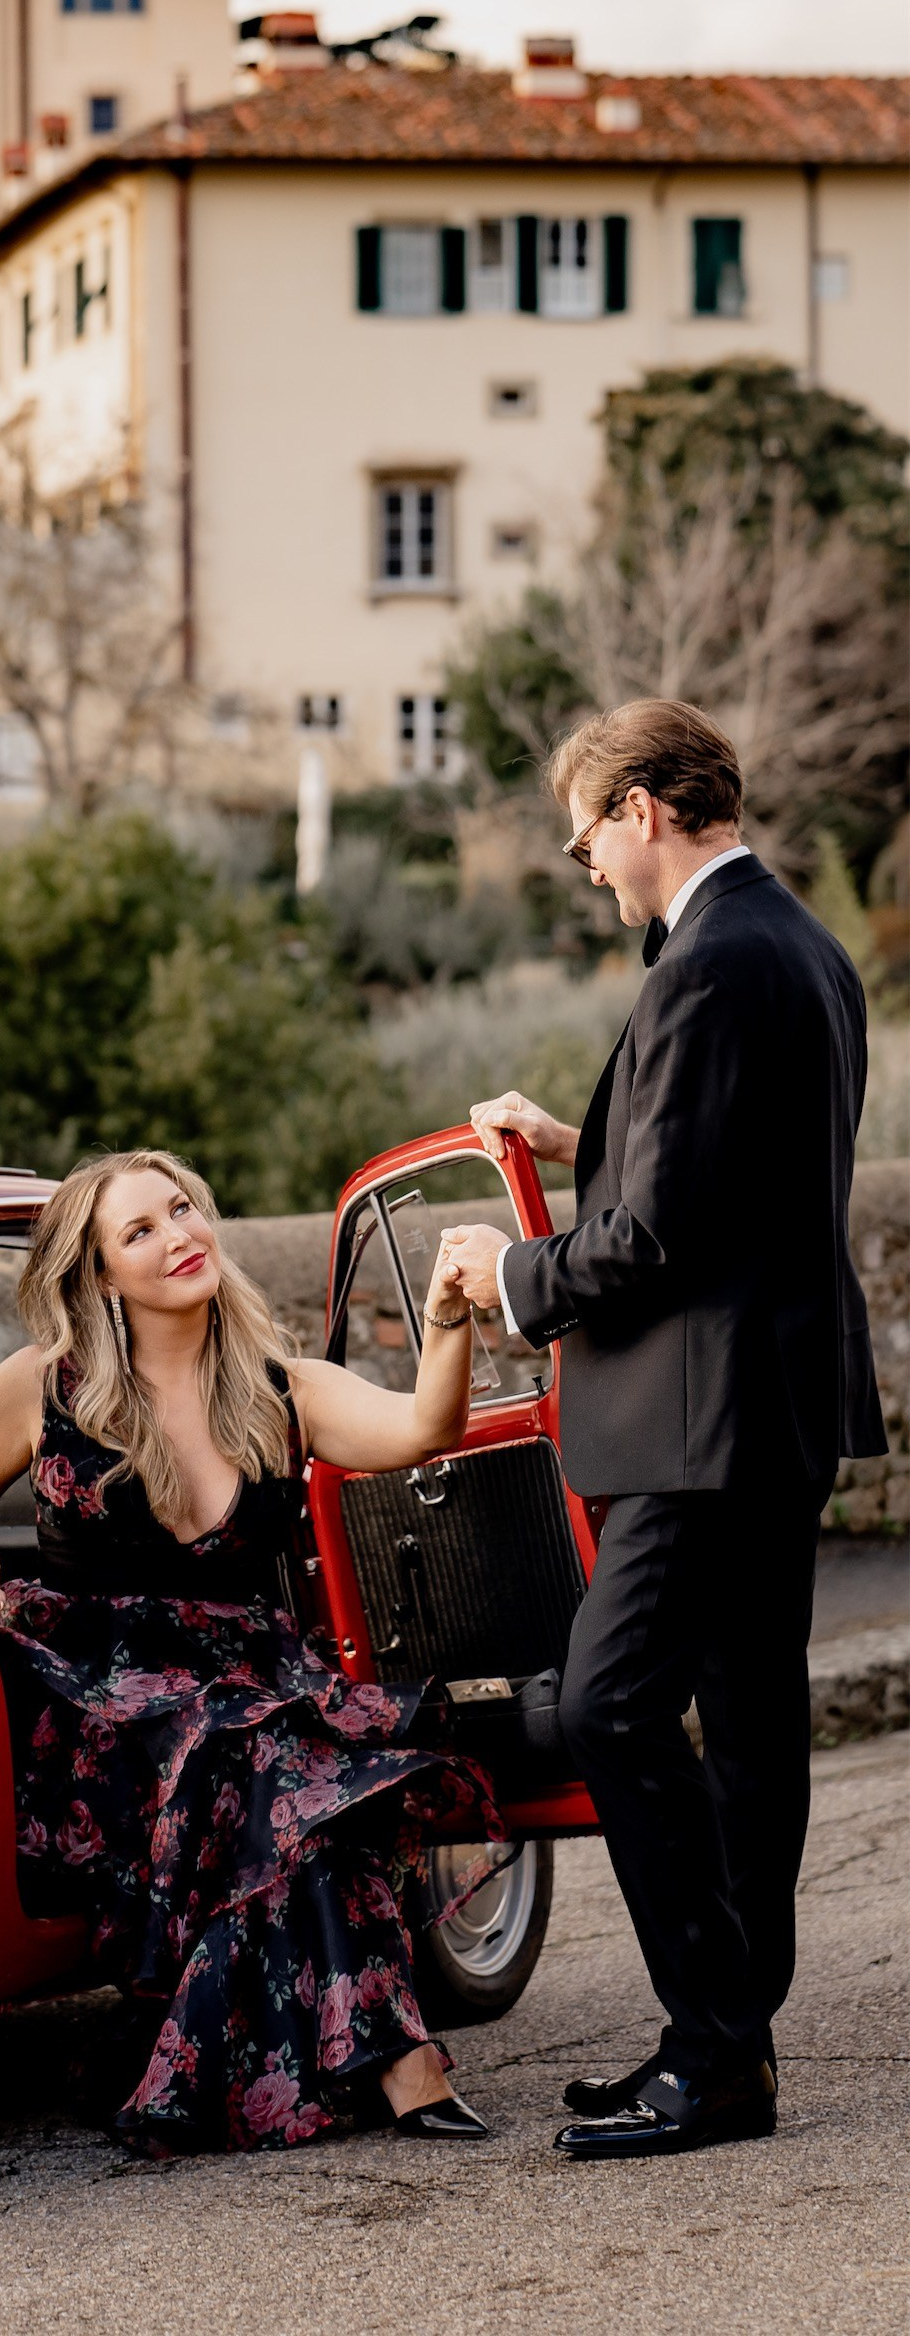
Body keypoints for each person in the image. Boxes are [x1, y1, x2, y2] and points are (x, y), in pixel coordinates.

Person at [440, 697, 882, 2164]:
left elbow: (653, 1242)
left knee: (608, 1704)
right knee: (750, 1722)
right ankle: (730, 2036)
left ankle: (715, 2045)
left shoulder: (705, 958)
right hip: (778, 1399)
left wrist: (507, 1275)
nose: (587, 871)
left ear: (640, 808)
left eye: (585, 842)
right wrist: (582, 1144)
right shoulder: (800, 942)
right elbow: (737, 1166)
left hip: (700, 1413)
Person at [0, 1145, 505, 2158]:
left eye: (181, 1209)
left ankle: (385, 2057)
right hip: (100, 1704)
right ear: (100, 1271)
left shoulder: (279, 1389)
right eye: (139, 1230)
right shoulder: (38, 1388)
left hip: (240, 1690)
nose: (177, 1237)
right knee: (279, 1764)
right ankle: (403, 2066)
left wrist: (448, 1315)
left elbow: (427, 1428)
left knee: (288, 1775)